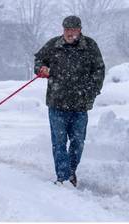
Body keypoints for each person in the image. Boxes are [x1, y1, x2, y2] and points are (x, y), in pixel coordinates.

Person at [34, 16, 105, 187]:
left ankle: (71, 171)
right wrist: (41, 68)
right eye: (67, 30)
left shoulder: (90, 46)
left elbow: (99, 70)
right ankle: (63, 177)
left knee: (78, 142)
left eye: (73, 30)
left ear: (80, 30)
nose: (70, 33)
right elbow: (38, 60)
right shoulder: (54, 45)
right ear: (63, 30)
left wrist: (90, 92)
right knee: (59, 143)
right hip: (57, 103)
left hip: (80, 105)